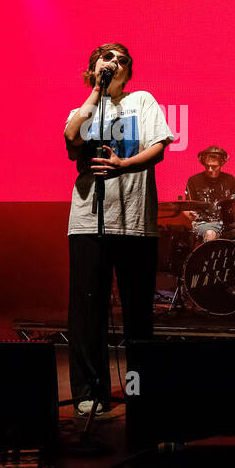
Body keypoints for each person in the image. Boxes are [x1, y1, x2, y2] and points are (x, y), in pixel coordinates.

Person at [62, 43, 175, 417]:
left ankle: (143, 394)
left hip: (135, 225)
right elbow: (72, 138)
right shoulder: (84, 109)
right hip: (87, 221)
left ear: (129, 72)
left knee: (138, 315)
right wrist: (95, 90)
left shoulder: (142, 100)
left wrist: (123, 165)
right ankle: (88, 392)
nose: (115, 63)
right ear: (92, 67)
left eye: (122, 59)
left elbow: (158, 149)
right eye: (106, 57)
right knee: (87, 312)